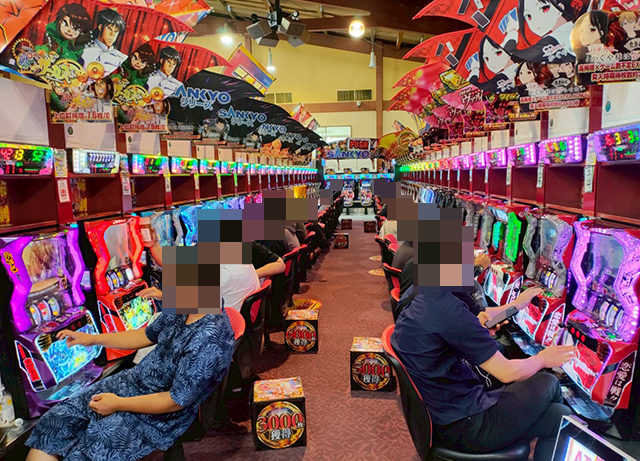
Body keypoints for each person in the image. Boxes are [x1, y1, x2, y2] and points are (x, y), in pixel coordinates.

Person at [391, 288, 575, 461]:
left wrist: (515, 306)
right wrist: (543, 359)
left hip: (443, 411)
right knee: (549, 381)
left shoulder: (420, 291)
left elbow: (478, 318)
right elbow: (507, 373)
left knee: (561, 417)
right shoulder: (445, 307)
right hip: (465, 424)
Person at [25, 309, 234, 461]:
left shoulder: (210, 336)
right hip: (131, 383)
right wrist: (93, 339)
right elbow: (145, 335)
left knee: (95, 447)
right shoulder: (183, 308)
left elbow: (176, 400)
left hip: (162, 413)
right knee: (56, 419)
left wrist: (118, 404)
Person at [81, 9, 127, 78]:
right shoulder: (84, 50)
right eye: (109, 29)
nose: (112, 34)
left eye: (116, 31)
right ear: (100, 27)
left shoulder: (122, 58)